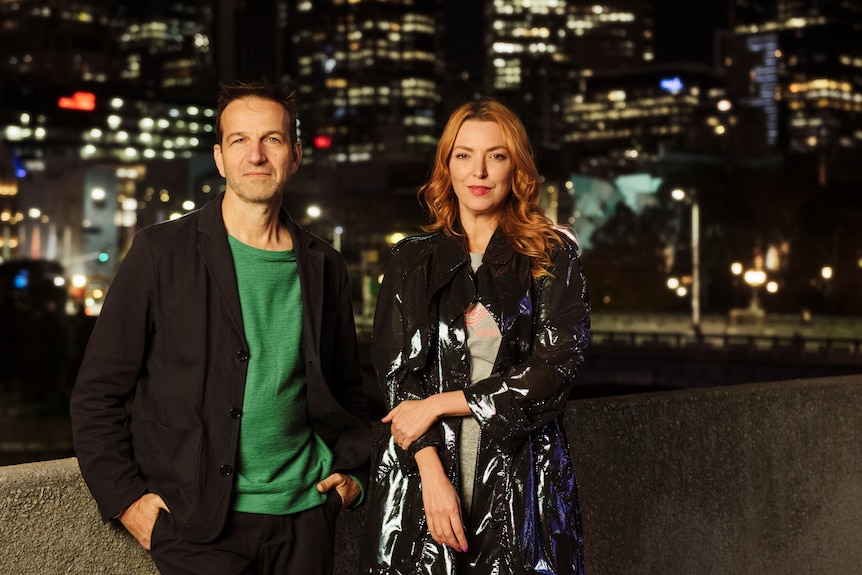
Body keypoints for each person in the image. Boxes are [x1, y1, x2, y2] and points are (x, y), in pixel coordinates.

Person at [70, 80, 371, 575]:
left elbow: (344, 390)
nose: (256, 155)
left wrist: (353, 476)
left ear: (295, 155)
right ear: (219, 156)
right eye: (239, 140)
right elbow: (96, 395)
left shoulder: (325, 265)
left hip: (306, 519)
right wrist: (126, 501)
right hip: (197, 530)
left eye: (271, 139)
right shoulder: (159, 253)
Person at [361, 98, 591, 574]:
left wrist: (444, 402)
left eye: (496, 155)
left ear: (516, 168)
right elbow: (396, 375)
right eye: (463, 154)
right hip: (420, 483)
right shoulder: (411, 260)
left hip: (522, 485)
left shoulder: (550, 255)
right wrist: (430, 473)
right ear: (447, 165)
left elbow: (556, 365)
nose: (479, 171)